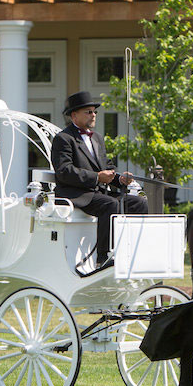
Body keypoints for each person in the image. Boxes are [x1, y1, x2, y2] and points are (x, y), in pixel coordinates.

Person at [50, 91, 147, 266]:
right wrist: (97, 177)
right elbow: (64, 171)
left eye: (95, 111)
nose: (93, 115)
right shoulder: (63, 139)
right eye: (88, 111)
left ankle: (133, 250)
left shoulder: (97, 139)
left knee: (138, 203)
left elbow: (107, 168)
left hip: (98, 194)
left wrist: (119, 179)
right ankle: (104, 258)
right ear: (74, 115)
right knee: (110, 204)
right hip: (77, 194)